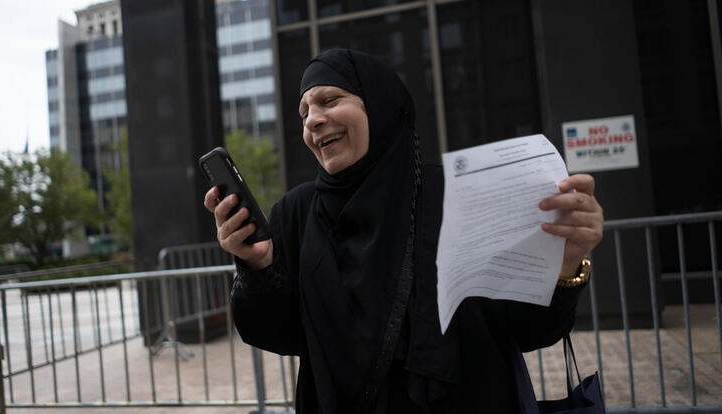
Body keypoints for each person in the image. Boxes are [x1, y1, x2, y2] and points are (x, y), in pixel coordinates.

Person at [204, 49, 604, 413]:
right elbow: (276, 335)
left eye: (329, 100)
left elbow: (530, 329)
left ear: (380, 106)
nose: (312, 119)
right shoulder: (296, 213)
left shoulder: (455, 196)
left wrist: (567, 263)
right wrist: (257, 269)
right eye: (304, 111)